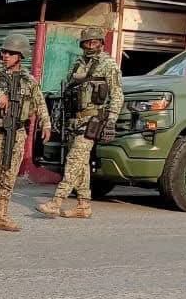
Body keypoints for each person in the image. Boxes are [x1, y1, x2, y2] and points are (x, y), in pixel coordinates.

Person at [37, 27, 123, 219]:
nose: (90, 46)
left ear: (101, 43)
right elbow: (67, 89)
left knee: (74, 160)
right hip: (75, 120)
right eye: (87, 42)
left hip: (93, 120)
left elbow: (117, 94)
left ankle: (56, 201)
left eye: (94, 42)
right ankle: (83, 206)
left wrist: (111, 121)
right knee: (81, 164)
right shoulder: (77, 64)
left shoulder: (108, 65)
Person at [0, 35, 51, 234]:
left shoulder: (28, 80)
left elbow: (40, 102)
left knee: (9, 176)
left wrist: (46, 124)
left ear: (21, 55)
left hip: (17, 133)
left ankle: (1, 215)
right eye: (4, 52)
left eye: (10, 53)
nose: (5, 56)